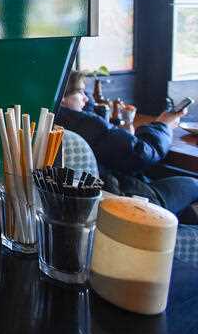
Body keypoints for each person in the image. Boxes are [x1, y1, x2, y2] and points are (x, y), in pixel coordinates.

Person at [56, 70, 198, 222]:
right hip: (127, 201)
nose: (85, 98)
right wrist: (163, 124)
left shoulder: (57, 119)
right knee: (194, 184)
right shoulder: (84, 124)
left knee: (187, 211)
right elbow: (141, 153)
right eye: (80, 92)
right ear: (62, 98)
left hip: (103, 200)